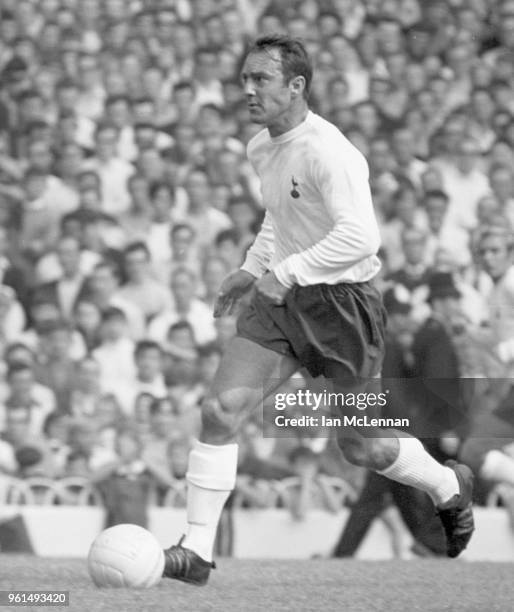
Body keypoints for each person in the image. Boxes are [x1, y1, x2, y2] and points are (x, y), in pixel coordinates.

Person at [156, 36, 477, 585]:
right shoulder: (261, 147)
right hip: (281, 303)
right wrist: (253, 267)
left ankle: (449, 486)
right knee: (220, 410)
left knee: (362, 448)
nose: (249, 89)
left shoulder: (330, 151)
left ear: (296, 86)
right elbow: (279, 219)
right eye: (245, 79)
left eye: (261, 79)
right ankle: (197, 552)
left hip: (342, 309)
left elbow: (361, 238)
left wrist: (284, 273)